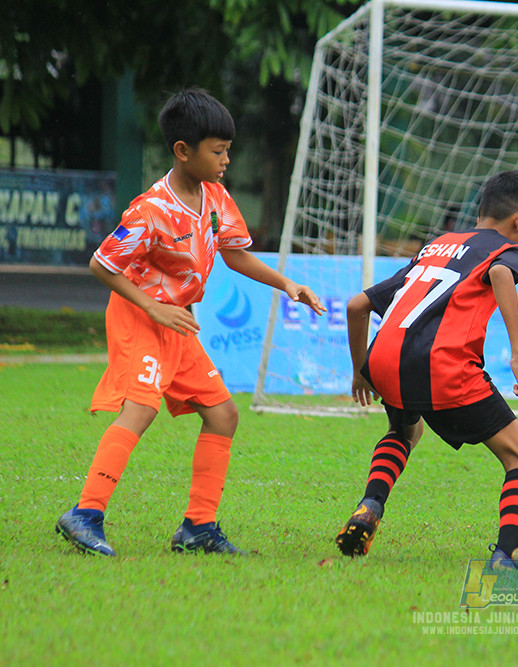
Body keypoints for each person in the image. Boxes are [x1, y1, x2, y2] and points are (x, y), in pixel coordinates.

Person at [55, 88, 325, 557]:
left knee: (223, 414)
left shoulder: (215, 197)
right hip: (141, 317)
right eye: (218, 151)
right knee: (141, 409)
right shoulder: (150, 209)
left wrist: (287, 284)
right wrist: (153, 306)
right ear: (183, 151)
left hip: (176, 323)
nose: (226, 161)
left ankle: (198, 528)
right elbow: (102, 264)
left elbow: (235, 254)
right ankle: (85, 514)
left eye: (228, 151)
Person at [338, 171, 518, 570]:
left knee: (404, 432)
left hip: (386, 359)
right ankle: (507, 557)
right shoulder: (506, 249)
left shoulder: (437, 245)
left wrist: (360, 370)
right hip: (444, 367)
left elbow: (355, 305)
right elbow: (502, 273)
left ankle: (370, 505)